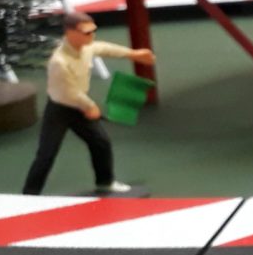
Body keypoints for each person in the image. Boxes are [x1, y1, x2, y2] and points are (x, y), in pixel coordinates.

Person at [22, 11, 156, 196]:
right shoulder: (59, 62)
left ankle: (105, 182)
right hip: (60, 109)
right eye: (86, 32)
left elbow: (104, 48)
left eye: (93, 31)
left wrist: (132, 54)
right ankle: (30, 195)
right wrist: (89, 106)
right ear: (70, 33)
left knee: (101, 143)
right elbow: (69, 92)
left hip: (79, 107)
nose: (91, 36)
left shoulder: (86, 47)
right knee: (47, 154)